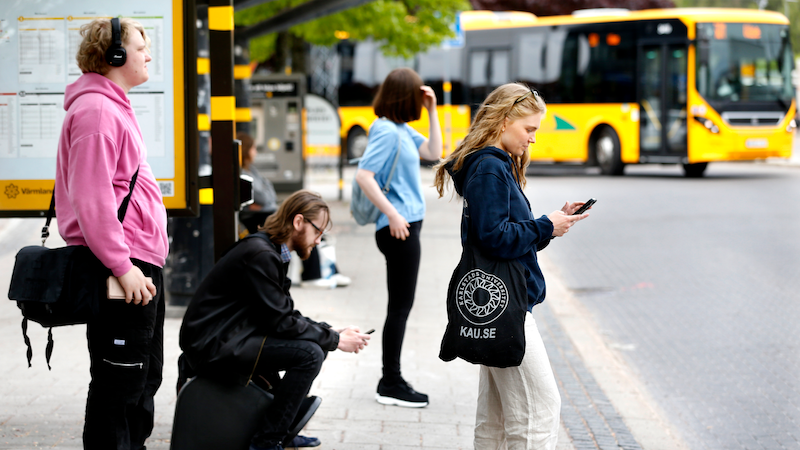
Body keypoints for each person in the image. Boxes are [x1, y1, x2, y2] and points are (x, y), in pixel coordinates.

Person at [432, 83, 589, 449]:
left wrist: (551, 225)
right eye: (529, 129)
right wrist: (545, 225)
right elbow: (493, 236)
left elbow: (502, 233)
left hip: (501, 303)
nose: (533, 139)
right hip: (508, 308)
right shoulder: (489, 167)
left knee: (496, 418)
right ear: (504, 121)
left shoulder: (490, 164)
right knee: (539, 411)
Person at [179, 190, 372, 450]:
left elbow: (282, 313)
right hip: (212, 345)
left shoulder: (272, 250)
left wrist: (327, 330)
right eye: (318, 231)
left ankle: (282, 429)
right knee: (310, 354)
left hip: (233, 337)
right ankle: (267, 441)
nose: (318, 241)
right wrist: (334, 339)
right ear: (298, 221)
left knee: (312, 345)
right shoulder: (261, 254)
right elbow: (281, 321)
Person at [54, 18, 168, 449]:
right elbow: (92, 200)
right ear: (115, 56)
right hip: (123, 270)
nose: (148, 55)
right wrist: (123, 267)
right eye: (141, 47)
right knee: (119, 383)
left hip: (137, 266)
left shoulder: (110, 107)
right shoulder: (98, 112)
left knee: (141, 378)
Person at [354, 67, 442, 408]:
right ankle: (390, 381)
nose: (420, 104)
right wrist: (392, 213)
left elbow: (434, 153)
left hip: (405, 224)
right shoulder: (387, 132)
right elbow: (364, 175)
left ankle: (390, 378)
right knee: (400, 308)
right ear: (404, 97)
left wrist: (434, 111)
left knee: (400, 306)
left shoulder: (400, 130)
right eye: (418, 98)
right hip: (399, 227)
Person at [236, 132, 350, 289]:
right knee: (306, 230)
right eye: (254, 148)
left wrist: (264, 201)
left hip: (267, 211)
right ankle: (312, 275)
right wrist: (264, 201)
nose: (256, 152)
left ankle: (330, 270)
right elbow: (262, 196)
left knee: (313, 232)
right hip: (258, 216)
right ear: (246, 150)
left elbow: (268, 193)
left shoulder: (251, 170)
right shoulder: (241, 173)